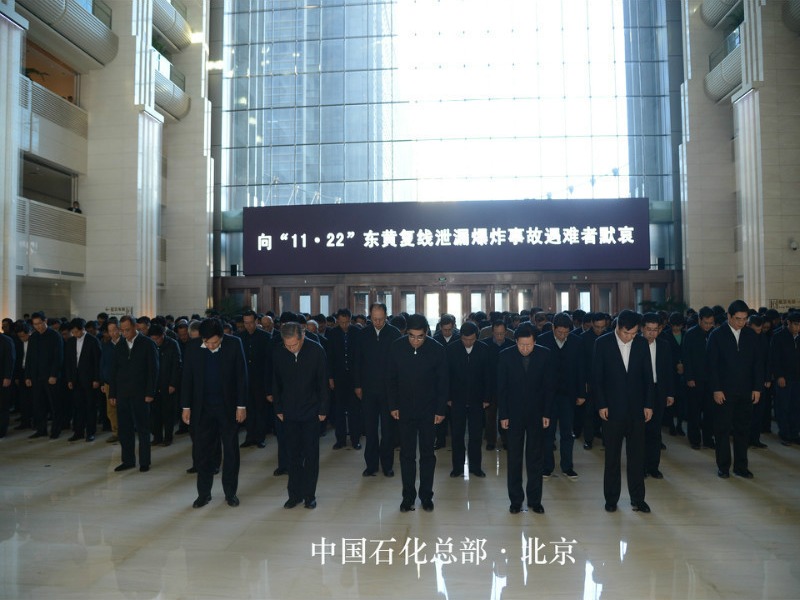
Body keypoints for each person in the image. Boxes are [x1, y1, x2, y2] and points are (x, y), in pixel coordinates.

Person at [592, 309, 654, 513]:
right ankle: (611, 498)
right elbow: (597, 378)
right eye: (627, 333)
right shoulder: (602, 343)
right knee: (612, 456)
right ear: (618, 327)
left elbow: (648, 376)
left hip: (637, 409)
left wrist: (648, 404)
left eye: (634, 333)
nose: (630, 337)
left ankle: (638, 498)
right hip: (611, 410)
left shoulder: (641, 343)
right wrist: (601, 404)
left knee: (637, 456)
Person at [181, 319, 247, 508]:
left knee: (231, 451)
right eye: (207, 342)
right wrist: (186, 407)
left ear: (222, 337)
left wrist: (241, 406)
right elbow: (187, 377)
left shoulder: (234, 344)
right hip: (203, 409)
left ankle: (230, 493)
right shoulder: (193, 347)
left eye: (215, 342)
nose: (211, 346)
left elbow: (241, 376)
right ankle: (204, 494)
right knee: (202, 452)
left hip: (228, 408)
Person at [388, 314, 448, 512]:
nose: (415, 341)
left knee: (427, 455)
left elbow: (443, 382)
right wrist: (393, 405)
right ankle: (408, 497)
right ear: (406, 333)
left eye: (420, 337)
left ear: (426, 333)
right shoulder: (397, 347)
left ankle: (426, 496)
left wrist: (440, 409)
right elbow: (391, 379)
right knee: (406, 455)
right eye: (411, 336)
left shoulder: (437, 349)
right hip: (404, 410)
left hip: (428, 411)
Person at [497, 323, 554, 514]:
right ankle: (515, 501)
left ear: (535, 342)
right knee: (514, 458)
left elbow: (549, 387)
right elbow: (501, 388)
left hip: (537, 414)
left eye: (529, 345)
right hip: (513, 414)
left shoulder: (545, 354)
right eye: (521, 345)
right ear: (516, 342)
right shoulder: (505, 356)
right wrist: (503, 415)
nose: (525, 348)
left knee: (535, 458)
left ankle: (535, 500)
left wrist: (547, 413)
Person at [272, 322, 329, 509]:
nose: (291, 348)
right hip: (288, 413)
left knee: (311, 455)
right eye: (287, 345)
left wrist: (323, 410)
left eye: (294, 344)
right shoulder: (279, 353)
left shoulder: (316, 351)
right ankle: (294, 495)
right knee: (292, 455)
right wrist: (278, 408)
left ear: (302, 337)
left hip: (312, 411)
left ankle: (309, 495)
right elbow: (276, 382)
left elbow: (323, 383)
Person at [707, 300, 764, 479]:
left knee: (743, 430)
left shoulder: (750, 335)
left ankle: (741, 466)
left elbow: (758, 363)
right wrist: (716, 389)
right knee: (722, 430)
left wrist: (757, 388)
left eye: (745, 319)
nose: (741, 322)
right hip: (724, 392)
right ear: (729, 316)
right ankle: (723, 466)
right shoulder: (717, 335)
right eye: (738, 319)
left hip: (746, 391)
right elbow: (711, 366)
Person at [354, 302, 402, 477]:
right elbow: (357, 362)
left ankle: (387, 465)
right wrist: (357, 385)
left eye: (381, 319)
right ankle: (371, 465)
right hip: (368, 390)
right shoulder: (363, 334)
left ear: (386, 316)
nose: (378, 322)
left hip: (388, 391)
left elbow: (398, 364)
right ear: (370, 317)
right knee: (370, 430)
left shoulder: (394, 334)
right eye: (375, 319)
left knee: (388, 431)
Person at [109, 315, 159, 472]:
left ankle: (144, 461)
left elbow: (153, 370)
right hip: (123, 394)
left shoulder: (147, 344)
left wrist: (150, 392)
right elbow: (114, 371)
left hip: (141, 394)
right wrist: (113, 394)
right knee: (125, 429)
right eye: (122, 330)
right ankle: (128, 460)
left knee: (143, 429)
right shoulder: (119, 345)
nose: (125, 333)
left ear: (135, 327)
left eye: (128, 330)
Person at [537, 312, 584, 479]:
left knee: (567, 432)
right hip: (547, 395)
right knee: (547, 432)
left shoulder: (577, 342)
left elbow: (581, 370)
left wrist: (581, 393)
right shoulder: (542, 341)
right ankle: (547, 466)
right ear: (553, 328)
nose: (563, 336)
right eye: (559, 332)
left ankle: (567, 466)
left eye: (566, 332)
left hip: (568, 395)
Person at [446, 321, 490, 478]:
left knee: (476, 435)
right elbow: (447, 375)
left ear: (476, 337)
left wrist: (487, 397)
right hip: (456, 399)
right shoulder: (451, 349)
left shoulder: (484, 349)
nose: (468, 342)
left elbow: (488, 376)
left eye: (471, 339)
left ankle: (475, 467)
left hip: (477, 400)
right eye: (465, 339)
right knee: (457, 435)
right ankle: (457, 467)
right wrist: (448, 397)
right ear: (460, 337)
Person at [641, 313, 674, 479]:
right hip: (639, 393)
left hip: (658, 391)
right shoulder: (634, 344)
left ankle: (653, 467)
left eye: (655, 330)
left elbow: (669, 371)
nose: (652, 333)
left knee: (655, 431)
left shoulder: (664, 345)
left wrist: (670, 393)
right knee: (640, 432)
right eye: (649, 329)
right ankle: (640, 467)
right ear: (642, 329)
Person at [237, 309, 273, 449]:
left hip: (260, 381)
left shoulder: (265, 337)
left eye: (251, 322)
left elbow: (269, 362)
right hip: (245, 381)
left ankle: (260, 437)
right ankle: (250, 436)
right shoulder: (239, 337)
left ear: (256, 321)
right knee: (248, 409)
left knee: (260, 410)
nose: (248, 325)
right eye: (246, 323)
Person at [25, 312, 64, 439]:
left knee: (55, 405)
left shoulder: (55, 336)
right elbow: (29, 358)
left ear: (45, 321)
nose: (38, 326)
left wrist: (54, 375)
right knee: (38, 404)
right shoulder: (33, 337)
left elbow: (58, 357)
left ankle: (56, 431)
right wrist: (28, 376)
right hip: (36, 377)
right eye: (35, 324)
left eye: (40, 323)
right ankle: (41, 429)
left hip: (51, 377)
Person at [326, 308, 361, 450]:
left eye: (347, 322)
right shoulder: (332, 333)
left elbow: (360, 357)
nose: (344, 325)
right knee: (339, 410)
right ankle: (340, 440)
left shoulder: (357, 332)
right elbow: (329, 357)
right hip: (338, 377)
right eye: (341, 322)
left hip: (354, 377)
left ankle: (355, 439)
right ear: (337, 321)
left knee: (354, 411)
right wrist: (330, 377)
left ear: (350, 320)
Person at [682, 306, 716, 450]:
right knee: (694, 411)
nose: (708, 326)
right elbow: (686, 357)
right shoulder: (690, 334)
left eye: (711, 323)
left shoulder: (715, 333)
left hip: (711, 380)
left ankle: (708, 439)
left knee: (710, 411)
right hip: (695, 379)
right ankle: (694, 439)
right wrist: (689, 377)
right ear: (699, 320)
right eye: (706, 323)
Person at [64, 318, 102, 442]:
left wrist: (97, 379)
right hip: (75, 380)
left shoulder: (93, 341)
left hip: (90, 380)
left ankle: (90, 432)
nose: (75, 334)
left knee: (90, 406)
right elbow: (68, 362)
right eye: (73, 332)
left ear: (83, 329)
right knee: (78, 406)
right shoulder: (70, 341)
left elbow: (97, 362)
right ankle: (78, 432)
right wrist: (69, 379)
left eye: (76, 332)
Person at [148, 324, 182, 446]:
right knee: (154, 414)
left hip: (167, 384)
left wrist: (173, 383)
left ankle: (168, 437)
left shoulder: (172, 344)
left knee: (168, 413)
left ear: (163, 335)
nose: (155, 341)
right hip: (154, 385)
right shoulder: (149, 344)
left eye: (157, 338)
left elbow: (177, 365)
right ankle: (157, 437)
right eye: (152, 338)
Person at [770, 312, 800, 445]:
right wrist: (779, 375)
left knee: (796, 407)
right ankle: (784, 433)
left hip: (797, 378)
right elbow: (774, 359)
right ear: (788, 323)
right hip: (784, 378)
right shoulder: (778, 337)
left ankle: (794, 433)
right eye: (796, 324)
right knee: (783, 406)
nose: (798, 328)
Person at [484, 320, 515, 451]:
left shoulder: (512, 345)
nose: (499, 336)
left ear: (506, 332)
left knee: (506, 414)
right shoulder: (485, 345)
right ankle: (490, 440)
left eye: (502, 333)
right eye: (497, 333)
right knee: (490, 416)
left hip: (507, 386)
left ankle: (505, 439)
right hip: (490, 386)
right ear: (492, 332)